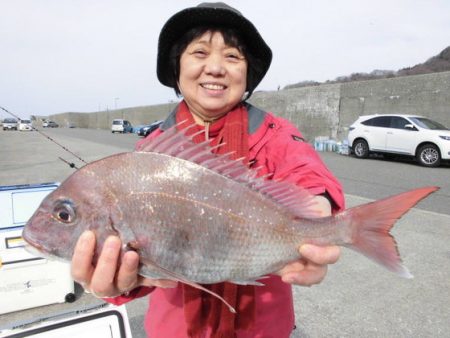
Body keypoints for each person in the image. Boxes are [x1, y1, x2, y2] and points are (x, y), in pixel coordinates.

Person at [71, 2, 345, 337]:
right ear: (176, 67)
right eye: (199, 52)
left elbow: (306, 171)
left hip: (262, 328)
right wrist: (120, 282)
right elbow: (151, 263)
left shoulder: (275, 134)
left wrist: (319, 209)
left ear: (248, 73)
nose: (215, 67)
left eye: (232, 56)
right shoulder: (152, 152)